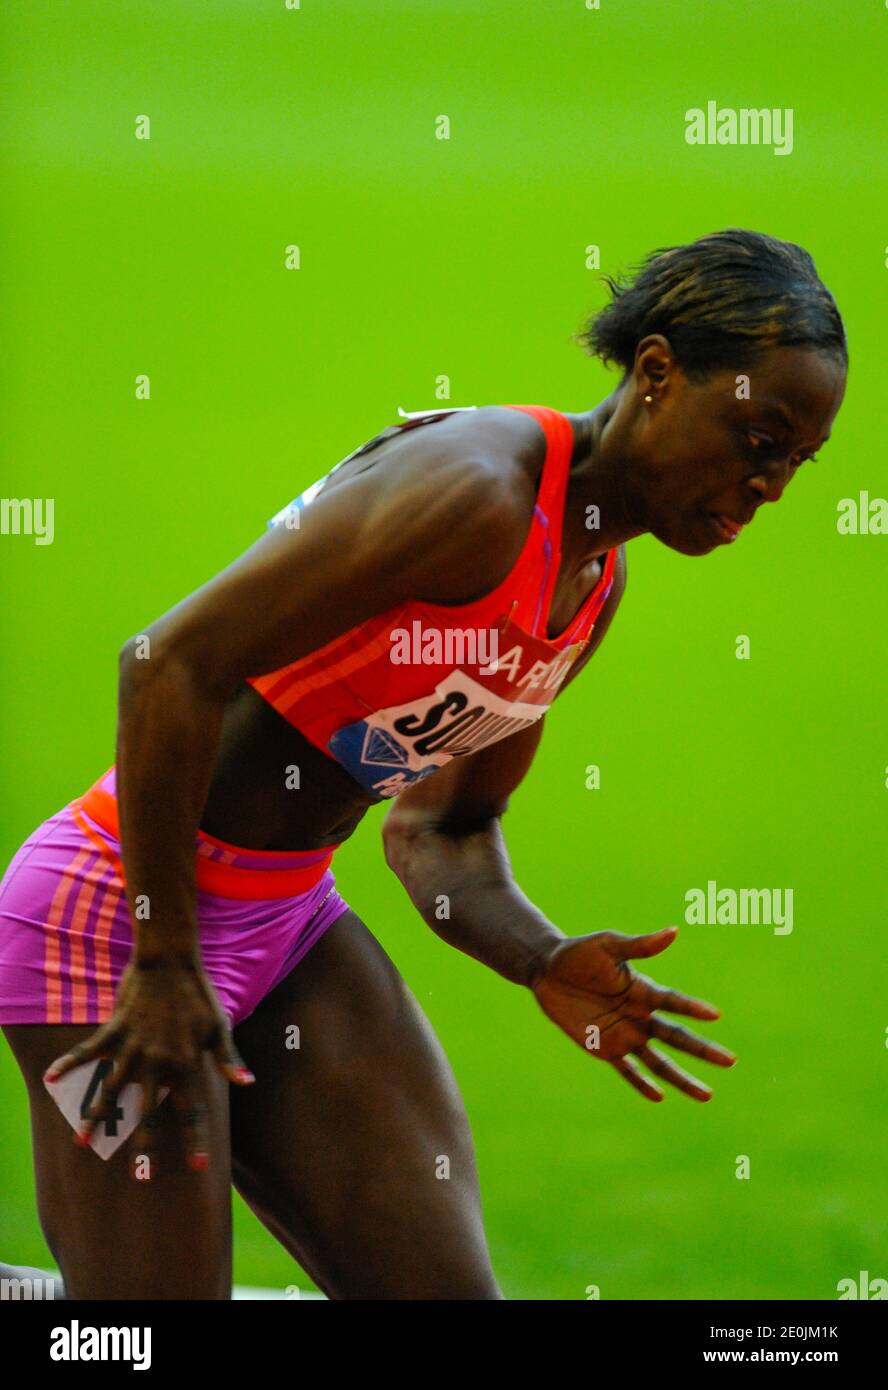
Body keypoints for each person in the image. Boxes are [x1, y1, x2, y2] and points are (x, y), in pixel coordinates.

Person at [0, 229, 847, 1300]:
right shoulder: (476, 493)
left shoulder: (587, 586)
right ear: (657, 373)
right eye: (756, 436)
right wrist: (164, 961)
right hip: (113, 918)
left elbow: (442, 833)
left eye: (795, 463)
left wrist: (540, 956)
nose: (767, 484)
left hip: (285, 925)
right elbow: (167, 664)